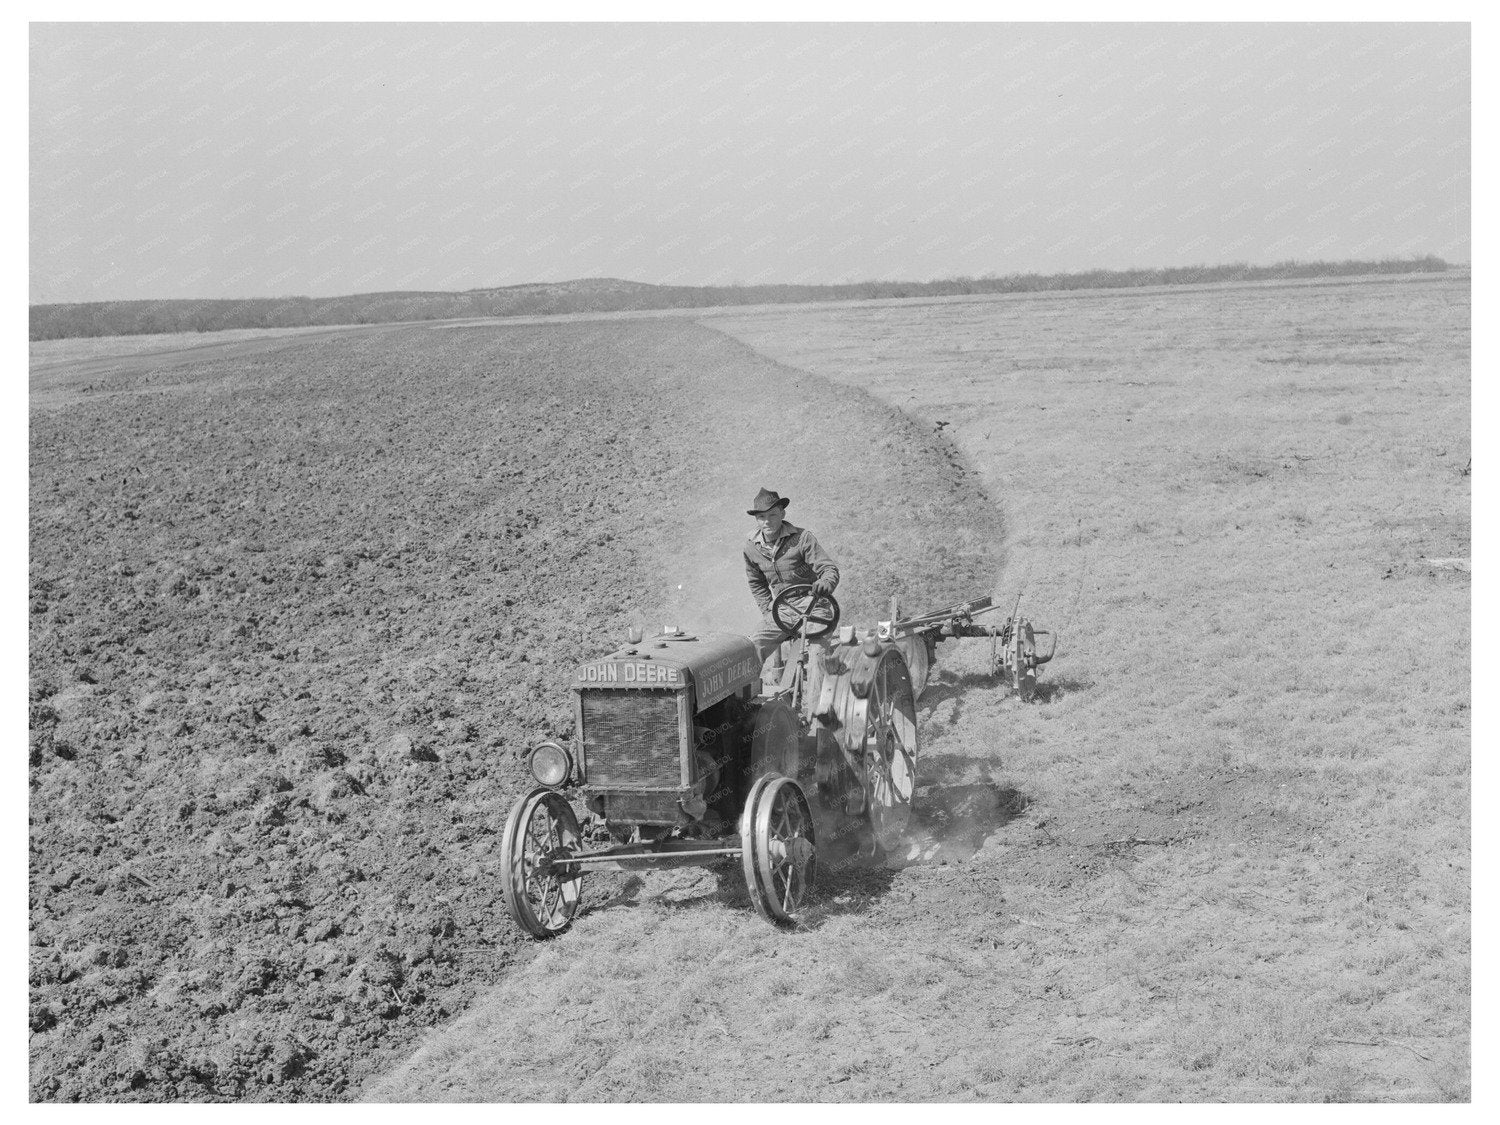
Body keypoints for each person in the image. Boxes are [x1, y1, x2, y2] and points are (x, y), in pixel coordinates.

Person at [742, 488, 839, 688]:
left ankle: (817, 709)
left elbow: (828, 569)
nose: (767, 521)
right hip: (782, 610)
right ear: (756, 519)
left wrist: (825, 583)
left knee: (817, 654)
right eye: (761, 517)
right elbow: (756, 582)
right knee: (752, 648)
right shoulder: (751, 547)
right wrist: (767, 608)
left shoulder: (802, 538)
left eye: (772, 515)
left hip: (814, 604)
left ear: (782, 514)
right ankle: (744, 707)